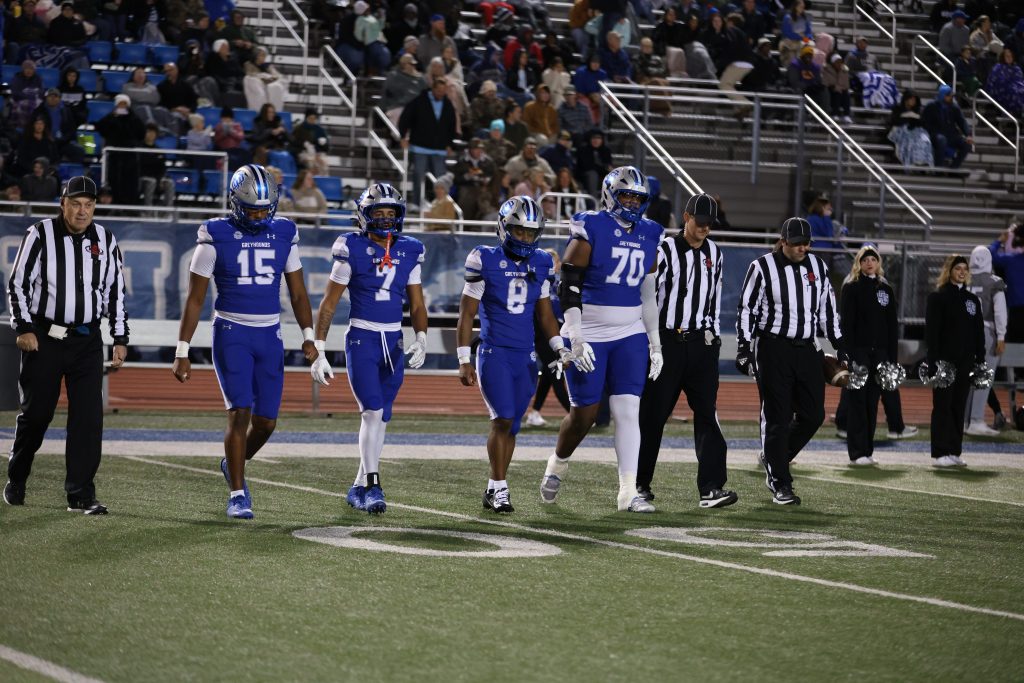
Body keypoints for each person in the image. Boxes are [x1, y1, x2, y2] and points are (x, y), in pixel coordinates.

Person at [172, 165, 317, 519]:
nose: (258, 215)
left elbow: (298, 293)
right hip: (232, 331)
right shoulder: (215, 234)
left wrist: (309, 337)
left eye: (264, 209)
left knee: (267, 422)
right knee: (239, 413)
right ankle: (237, 493)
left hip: (270, 333)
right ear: (235, 203)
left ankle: (232, 463)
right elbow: (195, 298)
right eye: (252, 208)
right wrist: (182, 350)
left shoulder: (284, 231)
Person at [539, 166, 664, 513]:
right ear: (611, 194)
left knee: (628, 410)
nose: (631, 202)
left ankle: (628, 491)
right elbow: (570, 285)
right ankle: (558, 462)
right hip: (589, 330)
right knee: (585, 415)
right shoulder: (591, 225)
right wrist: (575, 334)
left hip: (630, 332)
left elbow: (649, 294)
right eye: (626, 195)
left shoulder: (651, 232)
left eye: (638, 197)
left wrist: (654, 342)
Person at [5, 176, 129, 514]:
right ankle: (17, 476)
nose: (82, 210)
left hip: (87, 341)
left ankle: (81, 494)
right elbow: (17, 285)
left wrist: (120, 337)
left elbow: (115, 291)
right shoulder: (40, 234)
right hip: (45, 339)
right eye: (76, 203)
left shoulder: (105, 239)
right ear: (63, 203)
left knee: (88, 419)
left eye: (88, 205)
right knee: (37, 415)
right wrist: (25, 327)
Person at [310, 183, 428, 514]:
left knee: (382, 416)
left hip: (394, 340)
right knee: (372, 411)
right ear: (364, 216)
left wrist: (421, 337)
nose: (387, 220)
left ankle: (357, 485)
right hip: (363, 337)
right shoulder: (351, 247)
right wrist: (319, 347)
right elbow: (329, 302)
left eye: (392, 214)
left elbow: (417, 302)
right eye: (380, 214)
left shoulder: (409, 249)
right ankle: (373, 484)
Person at [458, 197, 570, 511]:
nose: (523, 238)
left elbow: (546, 315)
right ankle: (499, 486)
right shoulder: (483, 258)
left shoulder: (542, 262)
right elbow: (467, 314)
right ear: (504, 228)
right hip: (494, 352)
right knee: (503, 418)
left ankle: (494, 488)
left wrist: (559, 346)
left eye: (529, 233)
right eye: (518, 231)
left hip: (525, 355)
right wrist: (463, 358)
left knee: (513, 424)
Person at [737, 217, 844, 505]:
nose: (802, 249)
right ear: (783, 240)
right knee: (777, 417)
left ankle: (774, 458)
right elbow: (747, 309)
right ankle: (780, 483)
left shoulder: (817, 266)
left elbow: (827, 311)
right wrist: (744, 347)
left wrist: (840, 344)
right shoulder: (762, 267)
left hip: (808, 348)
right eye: (797, 243)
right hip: (773, 348)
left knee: (813, 415)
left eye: (806, 244)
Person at [637, 194, 736, 507]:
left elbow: (714, 298)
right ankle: (638, 484)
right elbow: (648, 296)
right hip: (666, 341)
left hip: (701, 344)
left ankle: (711, 488)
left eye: (709, 224)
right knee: (653, 416)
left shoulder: (715, 253)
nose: (705, 228)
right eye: (700, 222)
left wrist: (714, 336)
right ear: (686, 217)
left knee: (707, 415)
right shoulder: (664, 249)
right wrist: (650, 341)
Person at [838, 245, 897, 466]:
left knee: (872, 404)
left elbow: (892, 327)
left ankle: (867, 450)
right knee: (857, 403)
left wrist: (892, 359)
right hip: (859, 355)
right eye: (865, 259)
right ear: (859, 263)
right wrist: (851, 356)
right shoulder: (851, 288)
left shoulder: (886, 290)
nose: (869, 263)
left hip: (880, 356)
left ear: (878, 262)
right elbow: (847, 325)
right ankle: (856, 452)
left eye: (873, 259)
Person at [925, 255, 985, 467]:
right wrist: (933, 361)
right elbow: (932, 333)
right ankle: (940, 453)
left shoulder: (972, 300)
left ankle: (954, 450)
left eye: (964, 268)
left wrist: (980, 359)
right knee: (942, 406)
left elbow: (978, 332)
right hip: (944, 362)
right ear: (949, 270)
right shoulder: (938, 297)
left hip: (966, 361)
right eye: (957, 268)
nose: (961, 272)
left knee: (958, 406)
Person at [526, 247, 571, 425]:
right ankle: (574, 412)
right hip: (542, 334)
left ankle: (534, 413)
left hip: (556, 332)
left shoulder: (560, 283)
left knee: (548, 373)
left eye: (556, 261)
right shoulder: (536, 282)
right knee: (556, 371)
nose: (554, 265)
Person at [965, 245, 1008, 435]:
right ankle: (975, 420)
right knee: (983, 378)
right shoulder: (994, 282)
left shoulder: (964, 279)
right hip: (986, 331)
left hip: (965, 334)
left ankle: (964, 421)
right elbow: (999, 311)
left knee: (967, 378)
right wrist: (1001, 335)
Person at [399, 75, 458, 207]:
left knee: (440, 179)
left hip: (440, 148)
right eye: (439, 91)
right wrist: (403, 136)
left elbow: (451, 126)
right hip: (420, 147)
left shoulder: (448, 105)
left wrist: (450, 144)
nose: (441, 93)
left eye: (443, 91)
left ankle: (438, 204)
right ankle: (416, 202)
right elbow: (405, 117)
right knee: (419, 175)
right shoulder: (419, 101)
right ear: (433, 89)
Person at [921, 84, 973, 169]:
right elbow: (925, 122)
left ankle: (954, 167)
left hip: (951, 134)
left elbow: (962, 122)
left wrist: (968, 135)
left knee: (966, 145)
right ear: (942, 95)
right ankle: (939, 168)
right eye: (948, 96)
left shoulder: (954, 107)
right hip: (936, 134)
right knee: (942, 140)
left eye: (951, 96)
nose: (951, 98)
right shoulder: (931, 106)